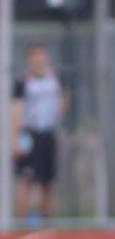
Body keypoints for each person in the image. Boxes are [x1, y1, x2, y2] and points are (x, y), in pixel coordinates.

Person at [11, 42, 69, 222]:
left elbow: (64, 101)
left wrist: (62, 105)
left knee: (47, 181)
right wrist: (16, 139)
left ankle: (47, 224)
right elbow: (16, 110)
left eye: (41, 56)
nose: (38, 60)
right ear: (29, 60)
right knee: (25, 181)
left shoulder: (55, 79)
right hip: (29, 134)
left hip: (47, 133)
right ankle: (20, 225)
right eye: (34, 57)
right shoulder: (23, 82)